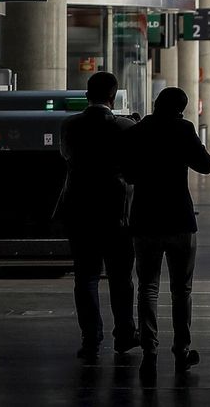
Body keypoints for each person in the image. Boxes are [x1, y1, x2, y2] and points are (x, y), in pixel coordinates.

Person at [122, 87, 210, 372]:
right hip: (179, 219)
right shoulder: (183, 129)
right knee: (181, 290)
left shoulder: (137, 131)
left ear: (155, 103)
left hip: (145, 219)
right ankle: (181, 351)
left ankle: (149, 351)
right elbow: (206, 165)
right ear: (181, 109)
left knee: (147, 288)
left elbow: (128, 175)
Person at [53, 71, 139, 359]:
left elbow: (67, 156)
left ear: (86, 94)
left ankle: (91, 339)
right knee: (120, 277)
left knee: (86, 277)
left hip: (79, 211)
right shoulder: (126, 127)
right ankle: (125, 334)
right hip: (117, 214)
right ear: (113, 97)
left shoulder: (69, 125)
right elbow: (133, 168)